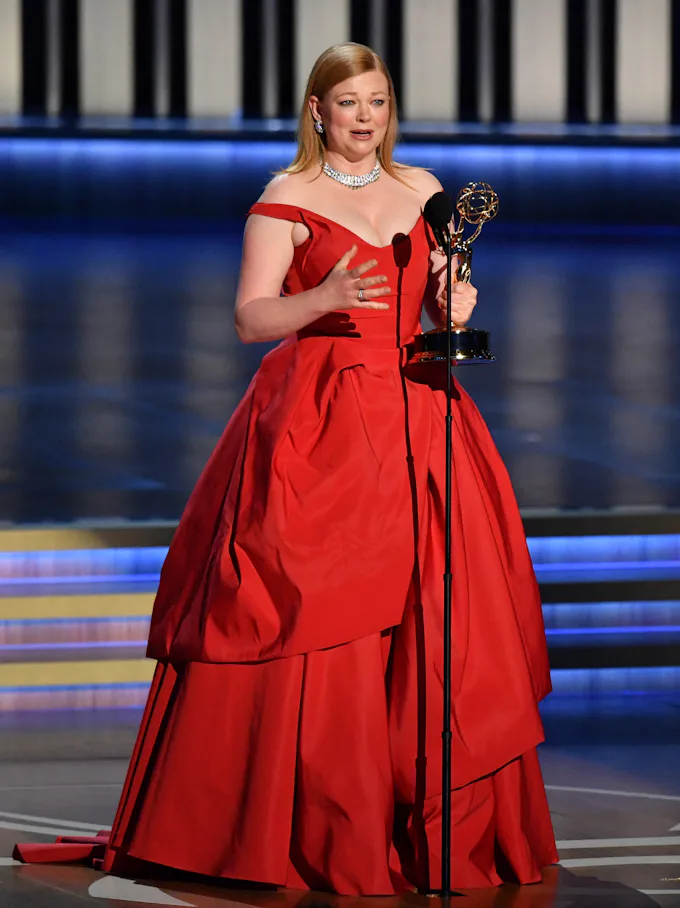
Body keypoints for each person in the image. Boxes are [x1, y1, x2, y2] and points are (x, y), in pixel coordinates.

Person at [14, 43, 558, 895]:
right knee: (317, 606)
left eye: (378, 100)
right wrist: (323, 301)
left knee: (439, 616)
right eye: (349, 103)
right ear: (317, 112)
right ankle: (307, 826)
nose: (366, 117)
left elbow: (443, 291)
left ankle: (426, 830)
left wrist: (454, 301)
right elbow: (251, 318)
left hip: (421, 411)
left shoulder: (426, 191)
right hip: (322, 421)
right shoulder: (285, 199)